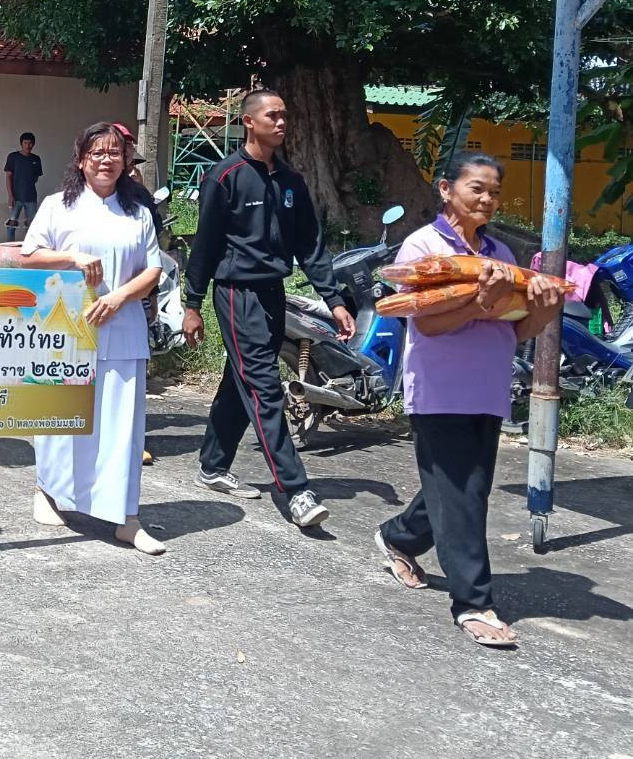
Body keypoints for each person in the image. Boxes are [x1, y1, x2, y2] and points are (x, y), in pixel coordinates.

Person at [375, 153, 562, 648]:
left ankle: (399, 537)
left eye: (494, 192)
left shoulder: (500, 253)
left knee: (464, 488)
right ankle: (473, 603)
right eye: (476, 188)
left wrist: (543, 310)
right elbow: (427, 323)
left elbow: (517, 330)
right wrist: (478, 302)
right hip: (439, 389)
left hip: (488, 387)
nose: (487, 199)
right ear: (445, 189)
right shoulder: (425, 246)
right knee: (461, 497)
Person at [182, 89, 351, 530]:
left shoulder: (292, 181)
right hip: (236, 294)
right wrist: (192, 303)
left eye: (284, 115)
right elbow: (204, 245)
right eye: (272, 115)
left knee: (240, 379)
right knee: (264, 386)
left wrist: (333, 299)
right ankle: (296, 490)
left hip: (273, 292)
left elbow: (310, 244)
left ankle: (213, 465)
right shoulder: (226, 176)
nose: (282, 122)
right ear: (249, 122)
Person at [21, 122, 167, 554]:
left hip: (123, 330)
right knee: (63, 417)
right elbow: (28, 257)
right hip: (66, 330)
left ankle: (126, 516)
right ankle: (49, 490)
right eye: (97, 153)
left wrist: (122, 295)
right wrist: (71, 256)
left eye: (115, 153)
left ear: (125, 162)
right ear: (81, 159)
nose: (107, 160)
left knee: (122, 426)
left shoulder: (137, 212)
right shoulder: (55, 206)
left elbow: (153, 269)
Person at [4, 132, 43, 242]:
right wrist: (10, 195)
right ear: (21, 144)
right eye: (25, 143)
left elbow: (36, 178)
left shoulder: (36, 159)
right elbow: (8, 177)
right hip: (15, 197)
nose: (28, 145)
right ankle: (9, 250)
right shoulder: (13, 157)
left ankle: (29, 249)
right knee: (11, 224)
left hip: (31, 197)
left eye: (30, 143)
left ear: (33, 144)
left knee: (31, 226)